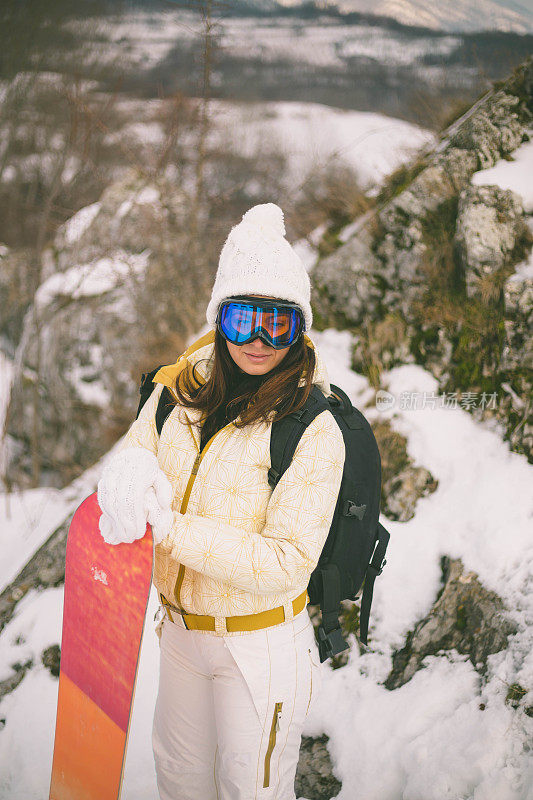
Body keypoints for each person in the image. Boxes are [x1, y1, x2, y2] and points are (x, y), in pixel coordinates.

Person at [97, 202, 346, 800]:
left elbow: (288, 560)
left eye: (278, 324)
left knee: (249, 792)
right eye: (242, 321)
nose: (259, 341)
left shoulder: (312, 427)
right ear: (219, 320)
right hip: (180, 637)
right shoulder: (174, 396)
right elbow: (132, 455)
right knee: (179, 785)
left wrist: (170, 529)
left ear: (300, 328)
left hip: (258, 647)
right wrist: (126, 474)